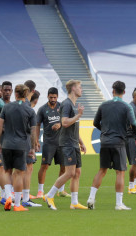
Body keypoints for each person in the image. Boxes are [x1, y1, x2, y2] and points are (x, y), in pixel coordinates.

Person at [86, 80, 136, 210]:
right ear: (125, 92)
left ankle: (91, 198)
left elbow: (95, 122)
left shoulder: (104, 105)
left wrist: (104, 131)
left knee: (102, 170)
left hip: (105, 142)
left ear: (113, 91)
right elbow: (134, 124)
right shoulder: (126, 107)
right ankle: (118, 204)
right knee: (120, 172)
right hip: (118, 142)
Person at [43, 79, 88, 210]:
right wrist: (78, 115)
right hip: (67, 143)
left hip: (73, 143)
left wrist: (81, 142)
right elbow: (65, 122)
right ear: (73, 88)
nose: (82, 89)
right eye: (80, 87)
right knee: (69, 172)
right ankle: (49, 195)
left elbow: (72, 126)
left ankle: (74, 202)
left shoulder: (73, 104)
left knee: (77, 172)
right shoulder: (67, 104)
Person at [0, 84, 38, 212]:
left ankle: (8, 196)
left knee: (7, 171)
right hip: (21, 145)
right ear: (26, 94)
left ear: (15, 93)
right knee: (19, 173)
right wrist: (32, 148)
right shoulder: (30, 110)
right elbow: (33, 130)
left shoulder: (7, 107)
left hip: (7, 143)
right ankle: (17, 204)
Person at [35, 87, 68, 198]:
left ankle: (61, 190)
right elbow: (37, 125)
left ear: (57, 97)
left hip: (61, 142)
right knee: (44, 166)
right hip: (49, 142)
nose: (53, 99)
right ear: (48, 96)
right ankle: (40, 191)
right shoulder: (42, 109)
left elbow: (68, 121)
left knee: (64, 167)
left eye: (54, 97)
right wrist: (36, 140)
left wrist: (60, 124)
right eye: (51, 97)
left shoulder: (62, 107)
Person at [20, 83, 42, 208]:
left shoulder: (15, 105)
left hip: (14, 141)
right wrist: (34, 144)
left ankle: (11, 195)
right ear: (32, 91)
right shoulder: (28, 107)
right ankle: (25, 198)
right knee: (28, 168)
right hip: (25, 141)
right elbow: (31, 129)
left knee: (17, 169)